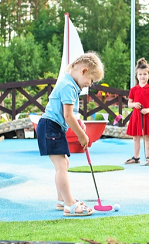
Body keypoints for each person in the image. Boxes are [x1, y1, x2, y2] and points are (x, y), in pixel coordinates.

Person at [36, 52, 104, 217]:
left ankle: (62, 200)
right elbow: (67, 115)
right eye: (91, 80)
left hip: (52, 127)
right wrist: (81, 135)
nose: (89, 84)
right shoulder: (69, 86)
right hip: (50, 127)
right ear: (83, 71)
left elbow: (67, 115)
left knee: (64, 163)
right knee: (61, 166)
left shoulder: (70, 84)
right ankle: (69, 204)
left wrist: (77, 122)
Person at [125, 58, 149, 166]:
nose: (142, 76)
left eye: (145, 74)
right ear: (137, 76)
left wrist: (148, 110)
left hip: (147, 115)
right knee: (136, 137)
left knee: (147, 137)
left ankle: (148, 158)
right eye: (140, 74)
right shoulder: (133, 89)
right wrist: (134, 104)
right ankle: (136, 157)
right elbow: (129, 103)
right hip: (136, 116)